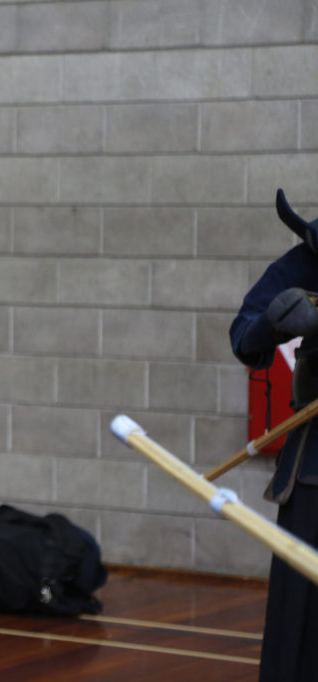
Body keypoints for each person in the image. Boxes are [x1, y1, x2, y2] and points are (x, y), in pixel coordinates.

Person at [229, 189, 318, 682]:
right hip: (313, 473)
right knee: (298, 632)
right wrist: (272, 324)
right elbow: (243, 332)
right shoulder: (311, 256)